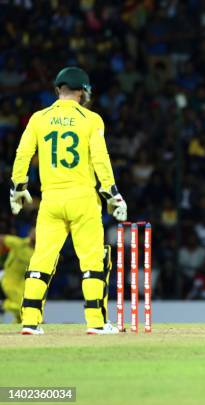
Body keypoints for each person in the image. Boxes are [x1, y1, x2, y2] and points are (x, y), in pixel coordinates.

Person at [10, 66, 127, 335]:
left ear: (57, 90)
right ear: (84, 91)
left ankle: (29, 322)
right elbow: (100, 159)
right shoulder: (91, 119)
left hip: (50, 200)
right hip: (83, 198)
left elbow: (23, 153)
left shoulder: (39, 118)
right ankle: (96, 323)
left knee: (41, 260)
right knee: (93, 260)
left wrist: (18, 188)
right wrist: (112, 193)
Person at [0, 229, 35, 323]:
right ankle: (4, 305)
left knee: (24, 310)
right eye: (33, 232)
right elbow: (2, 238)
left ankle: (16, 328)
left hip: (23, 282)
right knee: (22, 307)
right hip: (9, 279)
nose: (35, 234)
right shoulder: (19, 243)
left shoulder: (38, 253)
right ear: (29, 234)